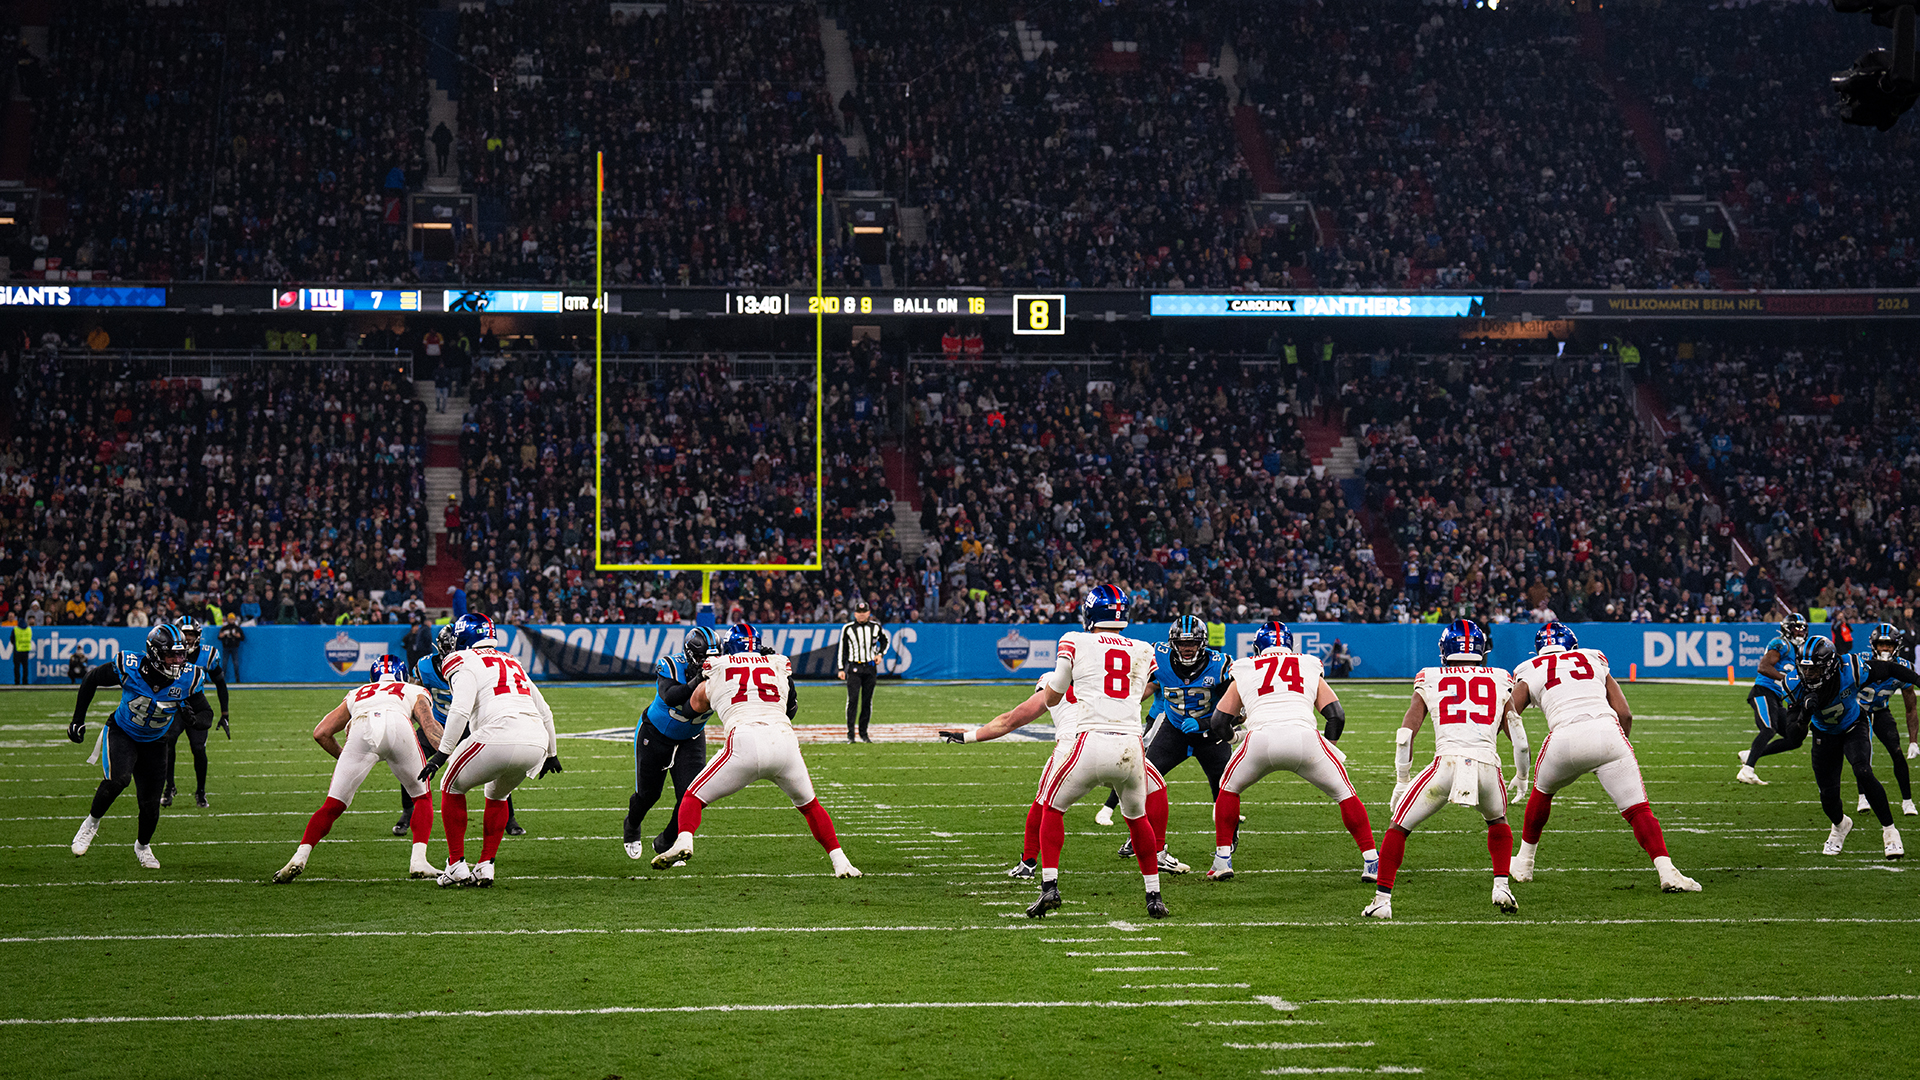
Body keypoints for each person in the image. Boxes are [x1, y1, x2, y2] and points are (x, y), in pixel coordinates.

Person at [652, 623, 862, 879]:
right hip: (784, 742)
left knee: (692, 797)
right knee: (810, 806)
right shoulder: (777, 665)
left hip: (744, 742)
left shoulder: (717, 668)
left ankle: (684, 840)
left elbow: (689, 709)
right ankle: (840, 861)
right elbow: (791, 709)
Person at [1008, 586, 1168, 919]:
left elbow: (1054, 695)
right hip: (1131, 745)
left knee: (1051, 806)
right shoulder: (1142, 647)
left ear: (1090, 613)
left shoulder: (1074, 640)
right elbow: (1153, 685)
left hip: (1091, 741)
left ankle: (1049, 887)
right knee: (1137, 819)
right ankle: (1153, 895)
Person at [1506, 622, 1701, 893]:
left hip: (1563, 738)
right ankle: (1667, 872)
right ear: (1572, 645)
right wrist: (1618, 751)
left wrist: (1515, 751)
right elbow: (1625, 713)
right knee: (1638, 810)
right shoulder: (1593, 657)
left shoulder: (1529, 668)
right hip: (1608, 732)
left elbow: (1509, 714)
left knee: (1543, 792)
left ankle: (1525, 862)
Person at [940, 668, 1183, 880]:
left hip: (1072, 748)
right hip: (1114, 745)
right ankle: (1158, 854)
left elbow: (1010, 721)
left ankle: (1029, 864)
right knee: (1156, 787)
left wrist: (968, 737)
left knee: (1045, 802)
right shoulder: (1104, 676)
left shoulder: (1052, 680)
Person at [1362, 620, 1529, 920]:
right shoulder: (1502, 677)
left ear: (1444, 650)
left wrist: (1402, 779)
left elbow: (1405, 733)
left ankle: (1381, 900)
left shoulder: (1430, 676)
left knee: (1399, 826)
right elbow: (1518, 735)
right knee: (1498, 821)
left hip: (1446, 764)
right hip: (1488, 765)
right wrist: (1522, 773)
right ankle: (1501, 885)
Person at [1203, 621, 1377, 884]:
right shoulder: (1308, 664)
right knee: (1345, 793)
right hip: (1305, 738)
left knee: (1228, 788)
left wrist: (1235, 737)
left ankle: (1222, 860)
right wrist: (1327, 749)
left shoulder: (1245, 667)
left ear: (1257, 647)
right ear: (1289, 646)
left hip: (1260, 739)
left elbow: (1218, 722)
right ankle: (1372, 860)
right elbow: (1336, 716)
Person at [416, 614, 563, 887]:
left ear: (465, 636)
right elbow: (545, 710)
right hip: (536, 740)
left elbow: (459, 709)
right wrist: (552, 753)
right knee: (498, 793)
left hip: (498, 733)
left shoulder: (461, 660)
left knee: (450, 784)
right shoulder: (512, 660)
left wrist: (441, 754)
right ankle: (485, 865)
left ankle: (456, 864)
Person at [273, 656, 445, 883]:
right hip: (399, 724)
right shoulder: (412, 689)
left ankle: (299, 856)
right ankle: (418, 861)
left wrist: (347, 758)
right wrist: (446, 753)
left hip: (362, 726)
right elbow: (429, 724)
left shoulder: (358, 692)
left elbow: (321, 733)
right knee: (421, 798)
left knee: (332, 805)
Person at [66, 624, 210, 869]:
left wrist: (194, 720)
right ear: (154, 654)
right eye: (171, 655)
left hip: (155, 741)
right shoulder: (130, 666)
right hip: (123, 731)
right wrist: (78, 719)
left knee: (150, 805)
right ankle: (91, 823)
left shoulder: (188, 677)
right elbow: (92, 678)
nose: (178, 660)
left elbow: (206, 712)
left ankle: (142, 846)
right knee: (118, 780)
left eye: (180, 654)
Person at [1095, 615, 1229, 864]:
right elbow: (1146, 686)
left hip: (1210, 734)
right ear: (1173, 643)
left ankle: (1227, 841)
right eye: (1182, 643)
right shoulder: (1160, 656)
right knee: (1143, 780)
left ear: (1203, 643)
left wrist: (1204, 723)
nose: (1187, 648)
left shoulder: (1220, 665)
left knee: (1225, 787)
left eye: (1192, 643)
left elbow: (1233, 707)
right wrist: (1126, 704)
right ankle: (1139, 836)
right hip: (1174, 727)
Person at [1788, 637, 1914, 859]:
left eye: (1814, 669)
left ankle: (1890, 832)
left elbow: (1890, 668)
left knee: (1862, 770)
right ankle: (1840, 826)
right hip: (1823, 734)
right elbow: (1793, 737)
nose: (1808, 675)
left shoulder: (1851, 668)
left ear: (1829, 666)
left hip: (1853, 725)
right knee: (1828, 796)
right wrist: (1803, 716)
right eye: (1804, 669)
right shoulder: (1793, 683)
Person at [623, 626, 720, 861]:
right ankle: (632, 824)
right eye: (701, 658)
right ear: (688, 654)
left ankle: (668, 840)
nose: (707, 663)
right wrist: (696, 681)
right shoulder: (671, 665)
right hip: (655, 735)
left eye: (712, 658)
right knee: (648, 795)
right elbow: (670, 696)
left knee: (691, 795)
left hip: (691, 738)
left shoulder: (723, 670)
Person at [163, 616, 230, 808]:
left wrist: (225, 714)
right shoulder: (166, 653)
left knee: (199, 748)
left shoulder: (207, 655)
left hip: (197, 705)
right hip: (173, 706)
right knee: (168, 742)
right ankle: (169, 787)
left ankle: (201, 791)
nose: (188, 638)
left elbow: (220, 684)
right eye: (185, 634)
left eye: (191, 634)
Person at [1736, 613, 1811, 785]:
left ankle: (1750, 754)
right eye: (1796, 629)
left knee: (1794, 738)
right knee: (1768, 729)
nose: (1799, 633)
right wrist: (1783, 679)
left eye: (1802, 629)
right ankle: (1747, 771)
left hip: (1777, 697)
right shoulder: (1781, 644)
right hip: (1763, 691)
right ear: (1787, 629)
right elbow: (1763, 667)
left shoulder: (1798, 651)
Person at [1855, 623, 1920, 817]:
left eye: (1889, 645)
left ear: (1896, 646)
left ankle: (1907, 801)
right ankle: (1862, 797)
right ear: (1873, 645)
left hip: (1881, 710)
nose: (1885, 649)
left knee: (1897, 752)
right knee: (1862, 754)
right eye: (1881, 644)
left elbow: (1911, 707)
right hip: (1858, 713)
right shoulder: (1860, 662)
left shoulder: (1903, 667)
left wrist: (1914, 741)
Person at [836, 600, 889, 742]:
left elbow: (885, 641)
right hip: (854, 667)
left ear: (868, 613)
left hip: (870, 667)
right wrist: (841, 668)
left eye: (864, 612)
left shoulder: (876, 627)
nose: (861, 615)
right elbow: (843, 649)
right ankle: (851, 734)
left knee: (867, 701)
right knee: (852, 700)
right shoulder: (848, 628)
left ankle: (864, 733)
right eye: (859, 613)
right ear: (855, 614)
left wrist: (880, 654)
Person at [217, 614, 244, 683]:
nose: (231, 620)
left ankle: (237, 679)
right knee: (224, 664)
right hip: (226, 647)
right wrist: (223, 635)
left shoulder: (237, 628)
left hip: (234, 647)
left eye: (232, 619)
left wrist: (237, 635)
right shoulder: (224, 628)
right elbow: (219, 637)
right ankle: (222, 679)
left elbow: (242, 637)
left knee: (236, 664)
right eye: (230, 619)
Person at [10, 617, 29, 684]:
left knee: (17, 668)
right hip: (26, 650)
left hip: (17, 651)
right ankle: (25, 681)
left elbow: (12, 639)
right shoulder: (29, 630)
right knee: (25, 668)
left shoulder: (15, 630)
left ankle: (17, 682)